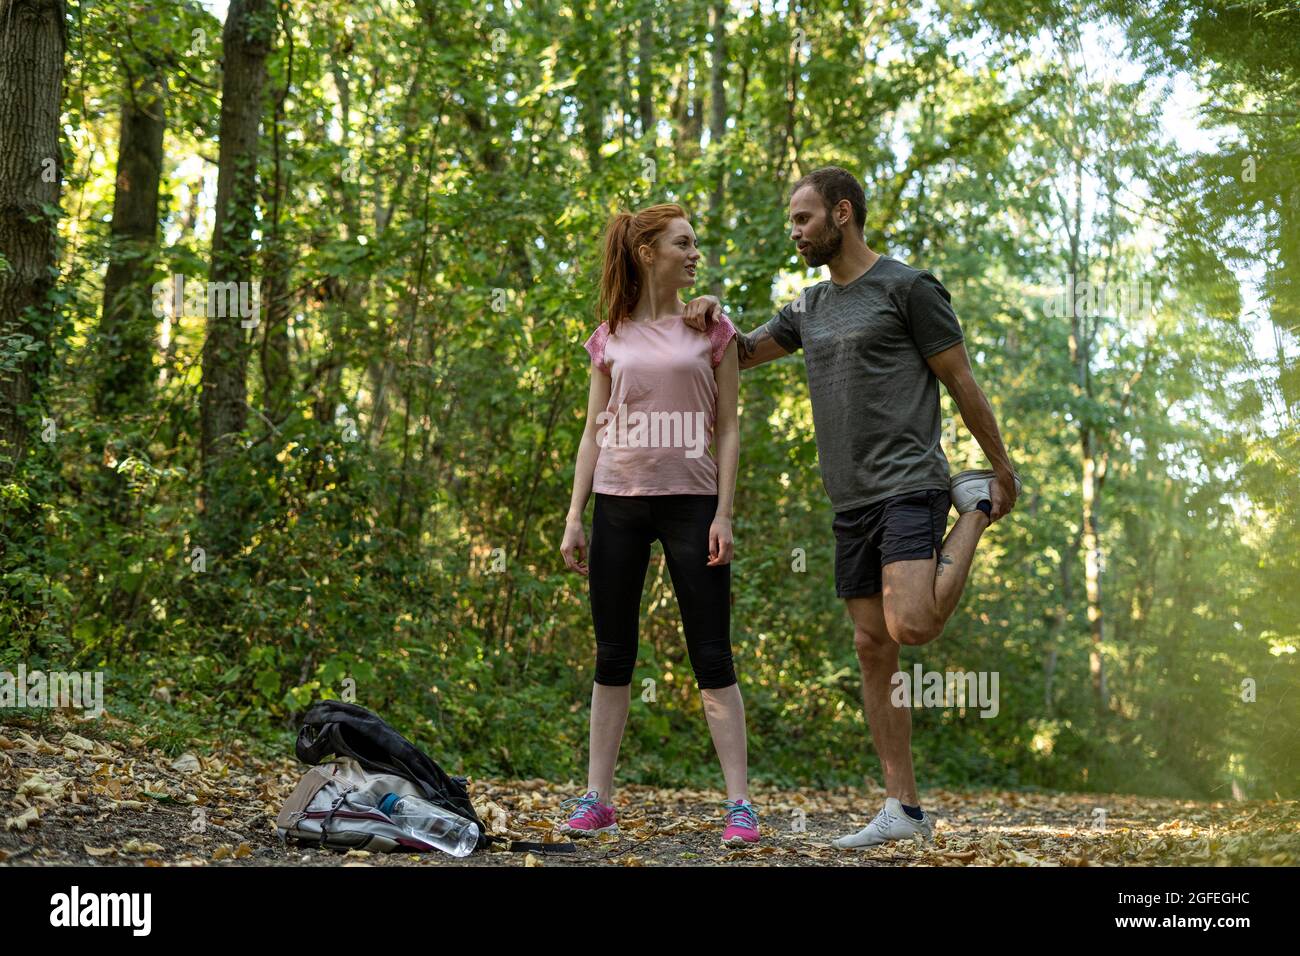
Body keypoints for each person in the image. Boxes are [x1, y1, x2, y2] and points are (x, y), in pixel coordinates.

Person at [682, 166, 1022, 849]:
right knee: (873, 647)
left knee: (913, 623)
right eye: (792, 221)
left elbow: (960, 379)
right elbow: (740, 354)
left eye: (804, 219)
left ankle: (973, 510)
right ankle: (904, 809)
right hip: (850, 499)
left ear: (842, 214)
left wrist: (1002, 469)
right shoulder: (808, 308)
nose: (795, 232)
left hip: (908, 483)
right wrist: (709, 312)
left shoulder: (907, 288)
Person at [558, 202, 759, 845]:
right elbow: (592, 433)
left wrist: (724, 511)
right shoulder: (607, 335)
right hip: (617, 499)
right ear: (648, 253)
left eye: (695, 243)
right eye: (684, 242)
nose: (695, 253)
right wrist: (574, 515)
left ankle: (739, 805)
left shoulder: (713, 329)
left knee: (712, 653)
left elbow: (727, 428)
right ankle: (598, 797)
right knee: (613, 653)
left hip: (692, 504)